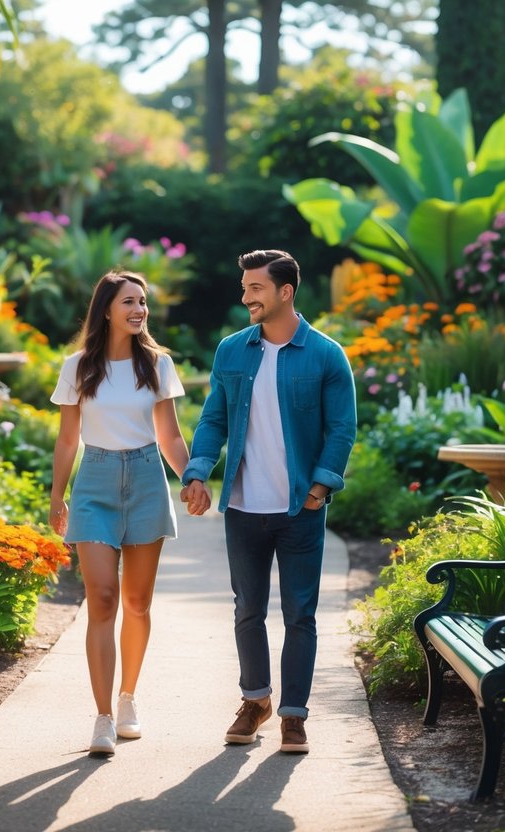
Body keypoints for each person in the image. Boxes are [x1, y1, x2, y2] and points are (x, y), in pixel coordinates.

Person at [180, 248, 356, 754]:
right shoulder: (232, 350)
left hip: (301, 508)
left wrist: (320, 488)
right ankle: (255, 701)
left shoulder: (325, 354)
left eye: (255, 288)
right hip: (244, 507)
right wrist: (197, 471)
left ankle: (294, 716)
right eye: (244, 287)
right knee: (247, 610)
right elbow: (214, 418)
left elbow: (342, 428)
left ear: (285, 291)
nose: (245, 297)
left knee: (300, 613)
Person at [50, 270, 208, 756]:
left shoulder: (157, 365)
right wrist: (57, 496)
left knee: (137, 603)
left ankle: (127, 700)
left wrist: (192, 476)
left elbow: (170, 436)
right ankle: (101, 718)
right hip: (95, 481)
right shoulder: (78, 366)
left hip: (145, 480)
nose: (139, 310)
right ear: (106, 309)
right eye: (129, 302)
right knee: (101, 597)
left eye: (143, 302)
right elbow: (68, 438)